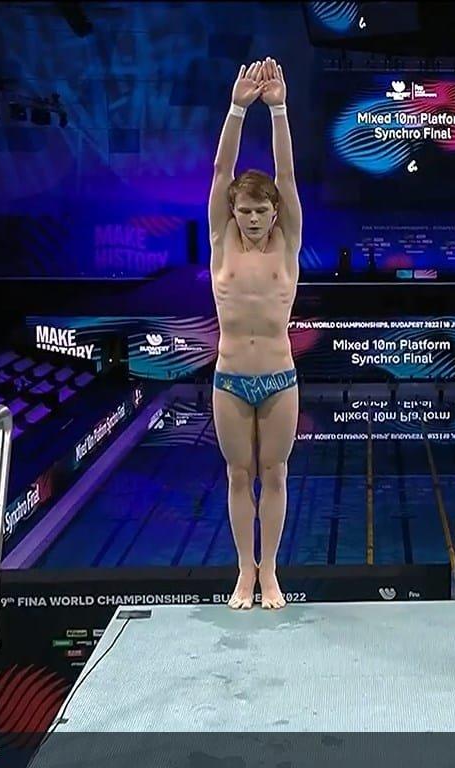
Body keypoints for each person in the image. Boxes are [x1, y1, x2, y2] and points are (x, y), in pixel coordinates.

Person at [208, 58, 303, 610]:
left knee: (276, 473)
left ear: (274, 213)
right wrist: (237, 109)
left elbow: (286, 176)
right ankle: (245, 572)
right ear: (234, 211)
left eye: (260, 210)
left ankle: (271, 572)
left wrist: (280, 110)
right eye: (243, 210)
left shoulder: (285, 246)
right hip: (229, 381)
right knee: (238, 476)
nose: (250, 218)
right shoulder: (221, 244)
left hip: (279, 379)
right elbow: (222, 170)